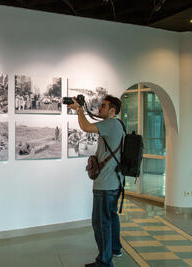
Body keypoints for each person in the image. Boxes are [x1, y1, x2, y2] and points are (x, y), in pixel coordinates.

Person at [69, 95, 124, 267]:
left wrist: (79, 110)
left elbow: (85, 126)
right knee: (111, 218)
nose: (100, 109)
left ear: (112, 110)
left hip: (105, 184)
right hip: (115, 182)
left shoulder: (110, 123)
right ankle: (115, 249)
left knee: (101, 224)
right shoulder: (118, 124)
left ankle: (104, 262)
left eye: (104, 106)